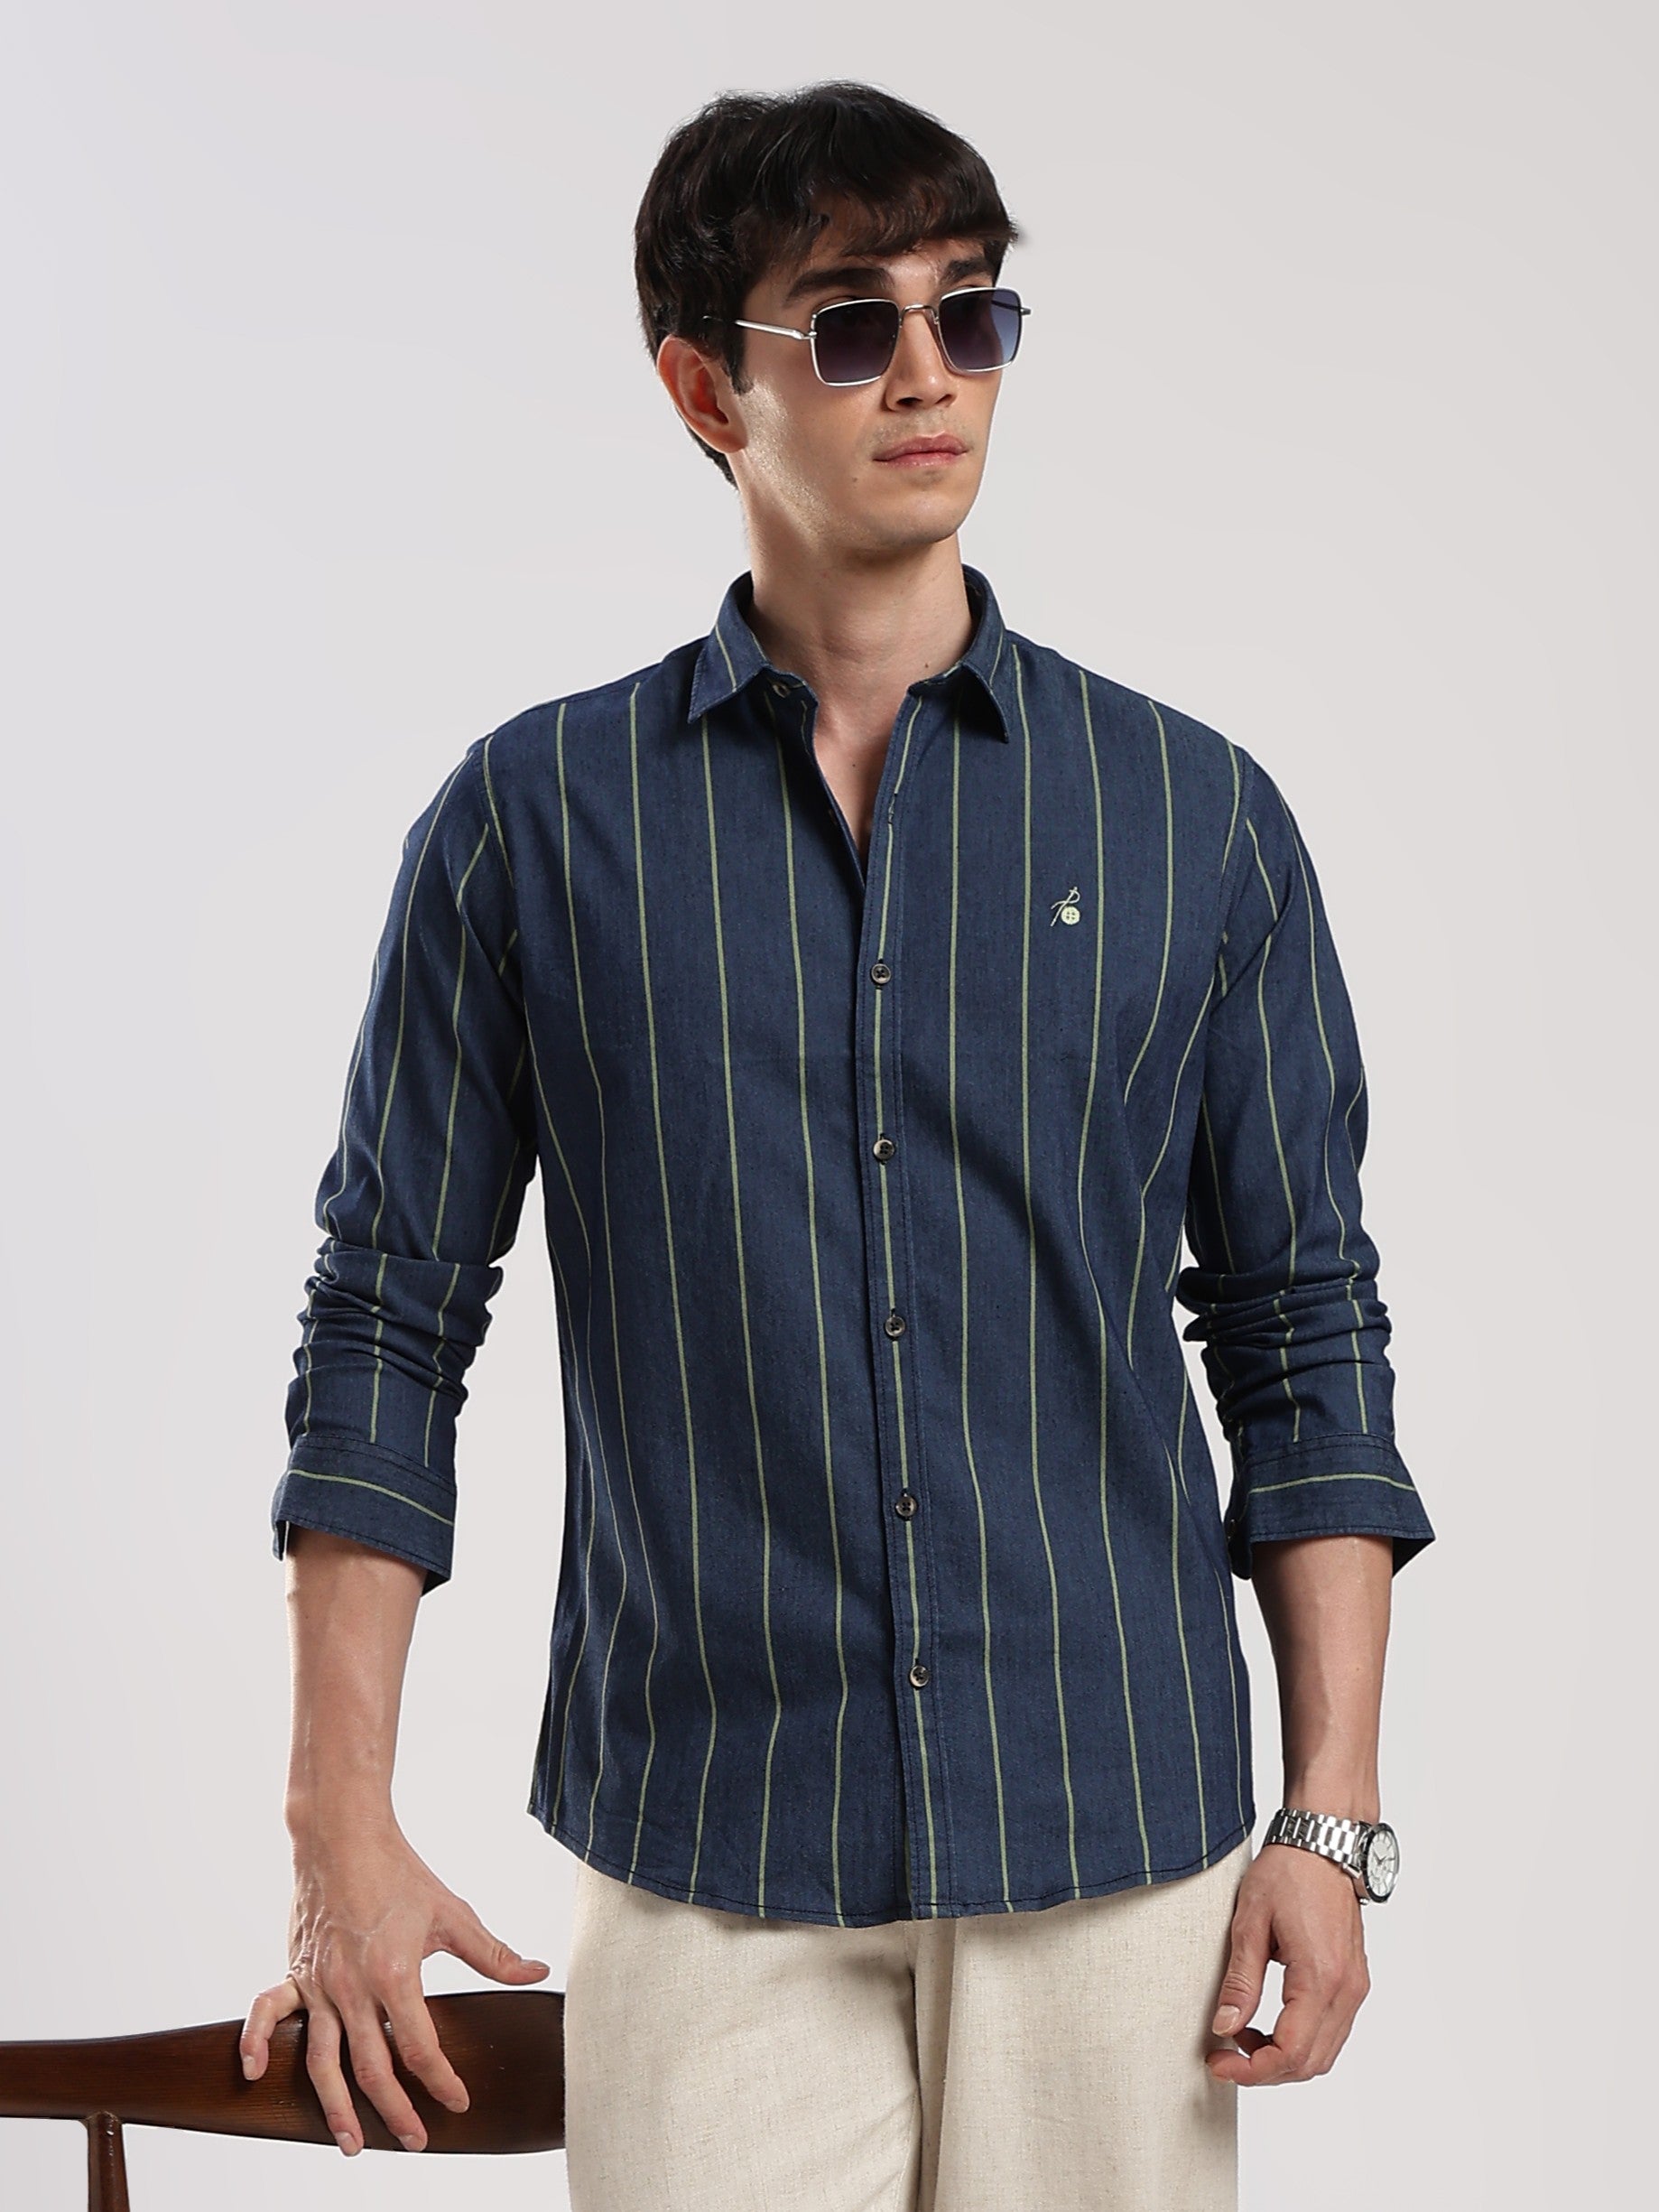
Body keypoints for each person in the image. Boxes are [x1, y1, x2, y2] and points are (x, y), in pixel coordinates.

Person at [238, 79, 1435, 2212]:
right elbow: (387, 1323)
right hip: (708, 1848)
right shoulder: (534, 827)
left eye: (970, 315)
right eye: (855, 324)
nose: (927, 376)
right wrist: (340, 1824)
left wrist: (1327, 1816)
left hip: (1114, 1837)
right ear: (706, 390)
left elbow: (1300, 1330)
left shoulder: (1192, 820)